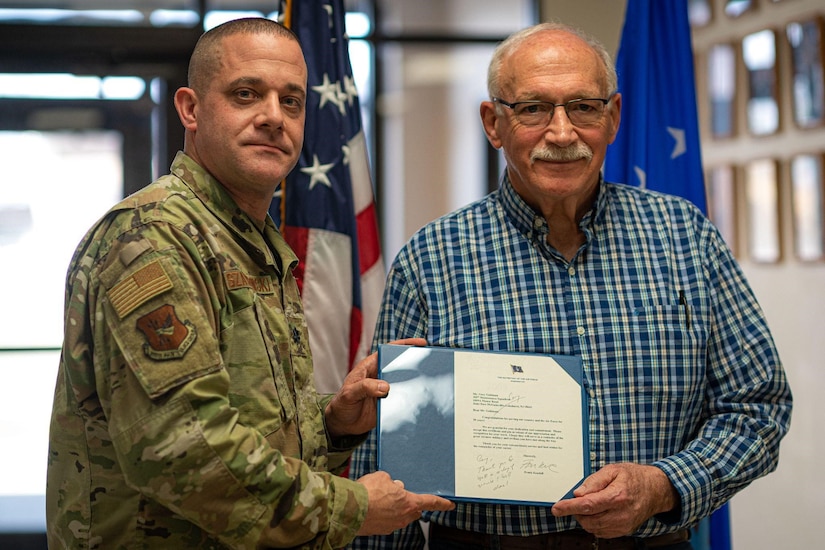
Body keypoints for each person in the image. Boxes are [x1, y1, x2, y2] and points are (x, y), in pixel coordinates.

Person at [348, 21, 792, 550]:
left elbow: (759, 407)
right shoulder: (431, 259)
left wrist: (663, 485)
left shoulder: (684, 237)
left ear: (614, 116)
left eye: (583, 106)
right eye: (533, 109)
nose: (562, 134)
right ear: (493, 123)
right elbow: (386, 467)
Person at [46, 17, 453, 549]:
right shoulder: (153, 239)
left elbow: (248, 424)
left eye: (292, 101)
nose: (273, 118)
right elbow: (186, 451)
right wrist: (353, 507)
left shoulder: (250, 241)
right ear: (190, 109)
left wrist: (333, 424)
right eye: (246, 94)